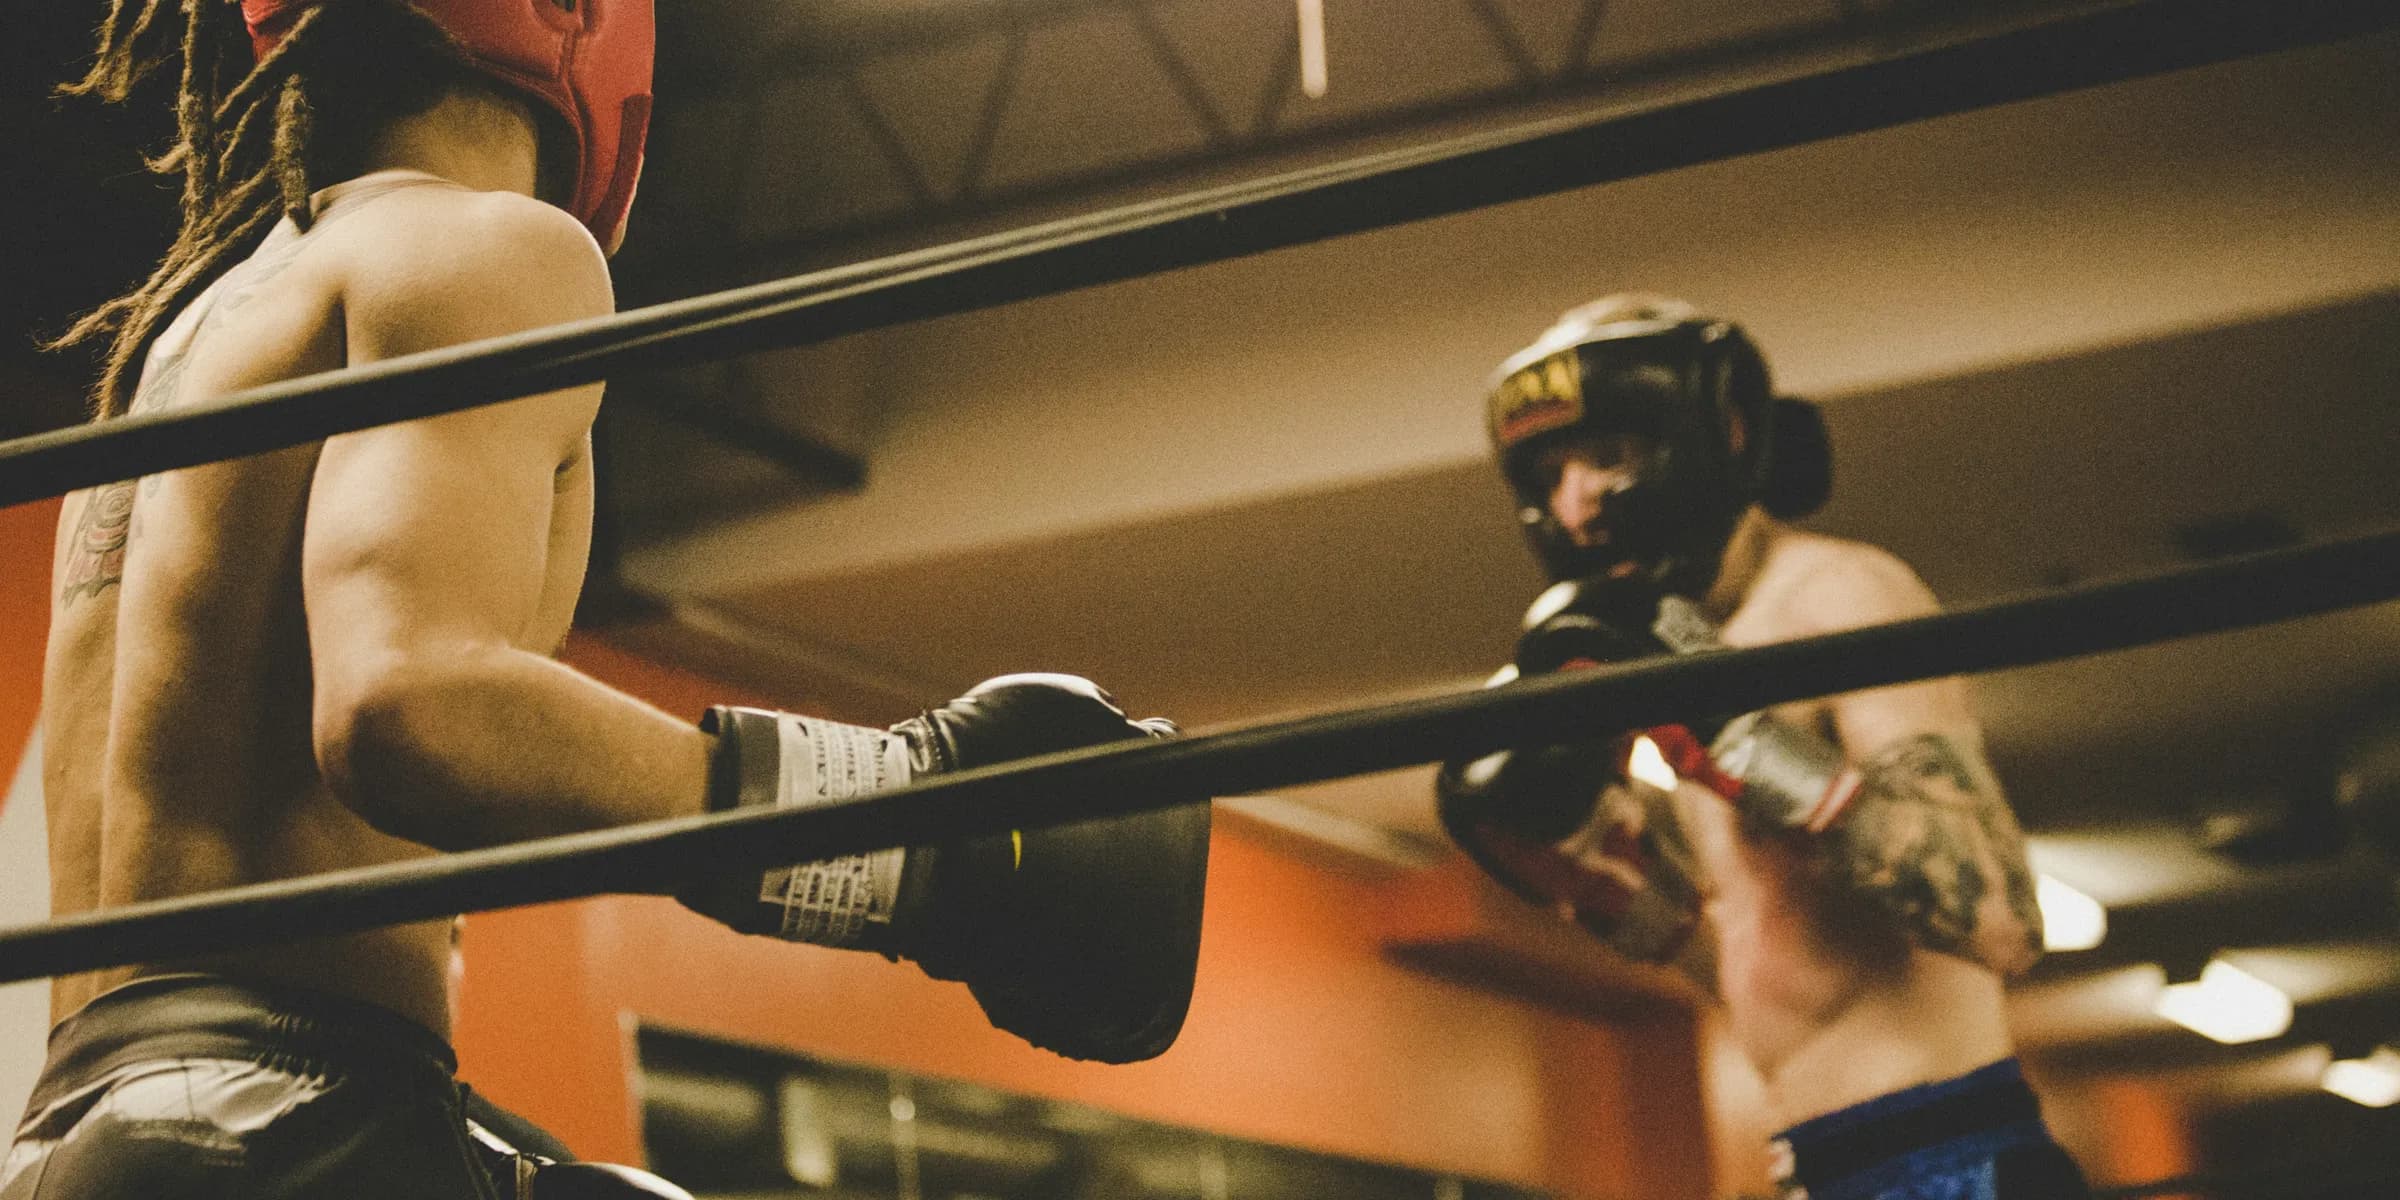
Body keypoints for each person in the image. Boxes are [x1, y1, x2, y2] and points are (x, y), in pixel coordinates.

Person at [13, 2, 1208, 1196]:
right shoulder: (485, 248)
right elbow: (406, 704)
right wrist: (907, 838)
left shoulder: (175, 356)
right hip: (294, 1126)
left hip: (80, 1126)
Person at [1438, 295, 2091, 1199]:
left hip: (1949, 1151)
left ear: (1723, 435)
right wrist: (1620, 891)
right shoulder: (1655, 650)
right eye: (1548, 474)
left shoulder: (1840, 594)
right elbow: (1766, 965)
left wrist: (1748, 740)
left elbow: (2003, 923)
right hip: (1814, 1163)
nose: (1574, 503)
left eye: (1609, 455)